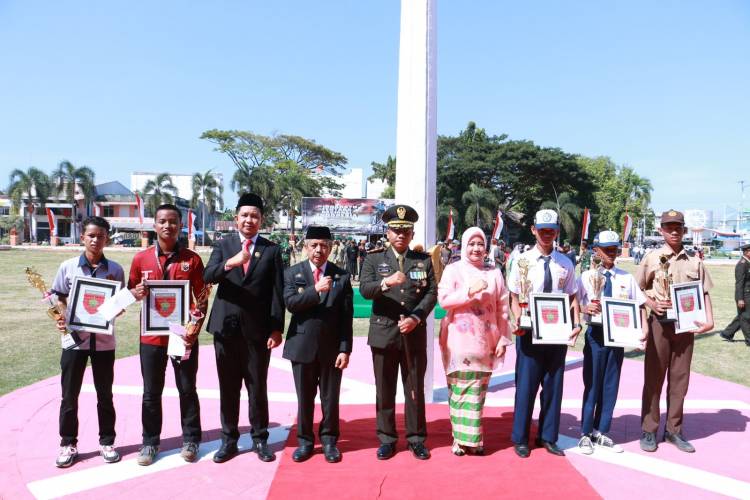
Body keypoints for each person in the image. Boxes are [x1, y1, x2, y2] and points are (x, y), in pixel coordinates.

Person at [204, 193, 284, 463]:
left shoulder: (271, 250)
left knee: (257, 387)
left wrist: (276, 328)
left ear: (261, 221)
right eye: (245, 215)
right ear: (236, 218)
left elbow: (277, 293)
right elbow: (208, 276)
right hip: (225, 329)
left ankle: (260, 439)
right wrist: (230, 263)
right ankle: (229, 440)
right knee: (228, 388)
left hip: (257, 332)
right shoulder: (224, 245)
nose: (250, 220)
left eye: (255, 216)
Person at [128, 204, 207, 466]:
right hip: (151, 338)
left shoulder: (192, 259)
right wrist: (137, 292)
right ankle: (150, 442)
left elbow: (202, 297)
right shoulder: (141, 259)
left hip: (182, 337)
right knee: (151, 392)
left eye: (173, 222)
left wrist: (194, 327)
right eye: (162, 221)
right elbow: (132, 290)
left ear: (180, 225)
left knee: (187, 389)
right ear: (154, 225)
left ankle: (191, 439)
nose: (167, 226)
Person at [359, 204, 438, 460]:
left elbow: (431, 293)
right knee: (384, 389)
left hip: (413, 334)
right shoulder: (374, 258)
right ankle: (387, 438)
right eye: (396, 230)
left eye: (406, 230)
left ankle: (416, 438)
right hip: (384, 334)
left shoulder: (423, 260)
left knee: (414, 388)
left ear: (412, 233)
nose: (401, 235)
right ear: (388, 232)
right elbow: (365, 290)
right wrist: (386, 282)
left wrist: (416, 317)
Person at [636, 210, 714, 454]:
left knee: (680, 381)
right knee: (654, 379)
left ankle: (674, 431)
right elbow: (636, 291)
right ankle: (649, 429)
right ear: (661, 230)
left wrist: (709, 320)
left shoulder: (695, 261)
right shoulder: (651, 258)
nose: (673, 231)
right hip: (659, 324)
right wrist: (650, 307)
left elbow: (704, 293)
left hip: (685, 327)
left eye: (677, 227)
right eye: (668, 227)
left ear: (684, 230)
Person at [51, 216, 126, 468]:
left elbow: (120, 304)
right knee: (69, 395)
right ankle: (67, 443)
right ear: (82, 236)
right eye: (91, 235)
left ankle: (107, 442)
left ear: (107, 238)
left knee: (105, 394)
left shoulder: (115, 270)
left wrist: (110, 312)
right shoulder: (68, 267)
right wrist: (62, 317)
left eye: (101, 236)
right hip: (74, 341)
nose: (96, 240)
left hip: (104, 341)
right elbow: (58, 297)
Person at [507, 209, 582, 458]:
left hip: (557, 332)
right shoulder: (521, 261)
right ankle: (520, 438)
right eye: (542, 230)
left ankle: (548, 436)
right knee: (526, 386)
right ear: (533, 230)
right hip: (529, 332)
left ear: (557, 232)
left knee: (553, 386)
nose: (547, 234)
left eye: (551, 230)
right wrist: (517, 319)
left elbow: (572, 297)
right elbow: (514, 297)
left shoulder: (565, 263)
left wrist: (577, 323)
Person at [282, 226, 353, 463]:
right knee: (304, 398)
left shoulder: (341, 276)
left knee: (330, 398)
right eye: (314, 245)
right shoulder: (293, 273)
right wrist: (316, 289)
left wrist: (345, 349)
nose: (318, 250)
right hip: (301, 346)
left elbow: (346, 318)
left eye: (324, 245)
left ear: (331, 248)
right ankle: (305, 441)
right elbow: (291, 303)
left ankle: (330, 441)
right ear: (305, 246)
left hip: (332, 349)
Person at [438, 227, 511, 456]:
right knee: (459, 390)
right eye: (471, 244)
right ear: (464, 245)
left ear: (486, 247)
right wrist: (469, 291)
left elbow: (503, 309)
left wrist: (503, 338)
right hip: (458, 341)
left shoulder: (494, 272)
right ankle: (459, 440)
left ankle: (474, 438)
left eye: (480, 244)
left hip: (485, 341)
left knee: (478, 392)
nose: (476, 248)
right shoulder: (453, 270)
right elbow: (444, 301)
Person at [576, 231, 648, 455]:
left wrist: (643, 331)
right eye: (606, 249)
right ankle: (586, 433)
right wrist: (586, 309)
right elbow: (574, 304)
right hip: (595, 336)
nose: (610, 253)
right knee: (593, 384)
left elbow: (640, 306)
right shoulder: (586, 277)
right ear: (596, 250)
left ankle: (601, 431)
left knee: (610, 386)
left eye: (614, 249)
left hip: (617, 338)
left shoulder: (626, 278)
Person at [719, 243, 750, 345]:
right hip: (744, 295)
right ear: (747, 252)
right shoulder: (742, 264)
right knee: (746, 317)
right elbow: (739, 283)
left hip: (747, 294)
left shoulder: (747, 263)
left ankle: (727, 333)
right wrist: (740, 299)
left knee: (742, 316)